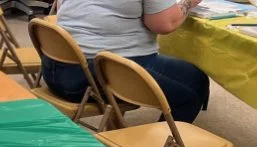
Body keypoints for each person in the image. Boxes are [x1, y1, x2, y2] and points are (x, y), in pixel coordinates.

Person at [44, 0, 210, 123]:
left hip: (55, 67)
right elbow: (164, 23)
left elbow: (61, 8)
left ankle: (114, 127)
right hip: (94, 78)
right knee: (194, 84)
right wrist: (189, 3)